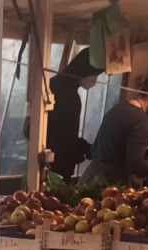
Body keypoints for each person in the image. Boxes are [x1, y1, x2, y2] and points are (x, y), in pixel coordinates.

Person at [81, 74, 148, 184]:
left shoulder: (121, 107)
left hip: (91, 175)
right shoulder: (140, 121)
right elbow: (136, 165)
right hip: (107, 183)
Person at [46, 50, 104, 179]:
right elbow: (59, 130)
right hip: (56, 161)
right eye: (94, 74)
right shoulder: (66, 93)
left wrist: (79, 146)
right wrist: (74, 148)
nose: (95, 79)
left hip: (57, 157)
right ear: (84, 71)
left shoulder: (57, 85)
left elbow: (65, 129)